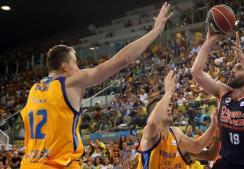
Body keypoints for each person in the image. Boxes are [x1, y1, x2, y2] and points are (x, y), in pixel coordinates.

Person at [20, 3, 173, 169]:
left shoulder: (34, 90)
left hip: (29, 164)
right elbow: (122, 60)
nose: (78, 68)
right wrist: (155, 31)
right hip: (56, 164)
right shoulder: (70, 82)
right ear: (65, 66)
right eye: (75, 63)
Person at [191, 31, 244, 169]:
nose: (233, 70)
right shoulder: (223, 91)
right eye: (233, 67)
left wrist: (243, 60)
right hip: (226, 161)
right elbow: (196, 72)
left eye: (238, 69)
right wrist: (209, 41)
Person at [137, 70, 219, 169]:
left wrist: (213, 125)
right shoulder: (150, 133)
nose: (169, 108)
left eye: (169, 106)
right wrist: (169, 92)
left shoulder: (175, 132)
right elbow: (153, 123)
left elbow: (197, 146)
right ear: (154, 113)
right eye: (165, 107)